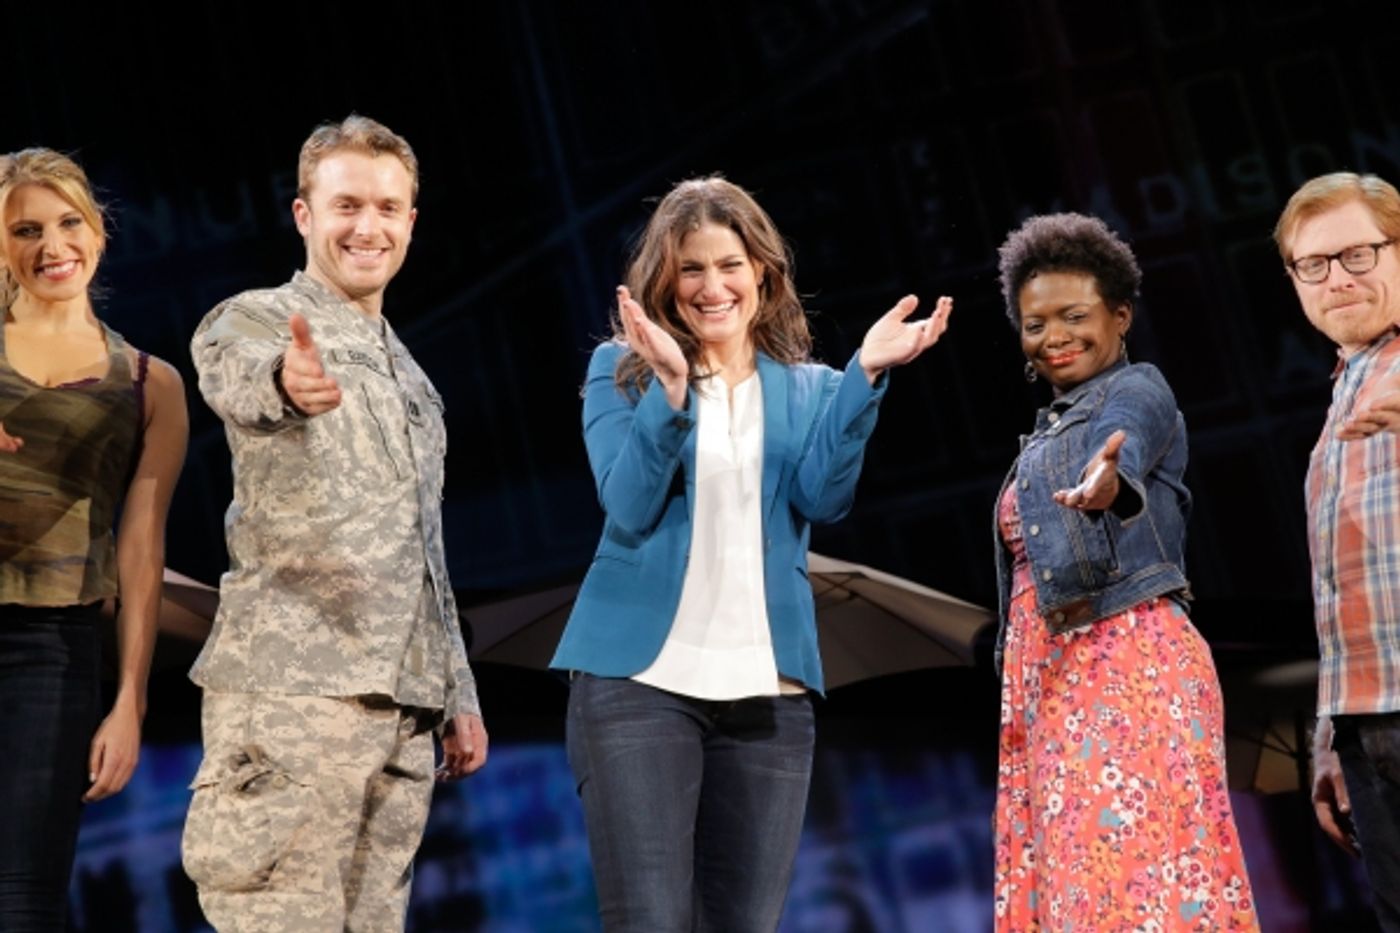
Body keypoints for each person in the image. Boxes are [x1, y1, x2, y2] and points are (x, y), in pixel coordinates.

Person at [550, 175, 952, 932]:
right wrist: (672, 391)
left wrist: (864, 375)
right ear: (665, 279)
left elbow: (824, 498)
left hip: (769, 694)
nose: (712, 286)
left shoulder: (809, 389)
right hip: (639, 684)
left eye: (729, 265)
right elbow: (630, 504)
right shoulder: (621, 371)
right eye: (692, 268)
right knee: (651, 921)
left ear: (761, 272)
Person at [182, 115, 487, 932]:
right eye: (347, 204)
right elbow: (235, 377)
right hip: (293, 690)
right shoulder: (253, 319)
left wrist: (457, 687)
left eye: (388, 208)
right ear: (304, 215)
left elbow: (427, 546)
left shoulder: (413, 377)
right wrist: (288, 379)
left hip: (403, 706)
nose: (368, 227)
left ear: (412, 222)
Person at [991, 213, 1257, 930]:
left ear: (1120, 314)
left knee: (1133, 881)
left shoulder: (1138, 390)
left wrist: (1112, 477)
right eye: (1034, 322)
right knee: (1080, 884)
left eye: (1074, 316)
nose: (1054, 337)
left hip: (1127, 665)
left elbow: (1128, 438)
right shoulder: (1047, 428)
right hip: (1052, 677)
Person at [0, 148, 188, 930]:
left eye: (68, 222)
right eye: (24, 229)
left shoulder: (149, 383)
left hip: (53, 647)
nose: (52, 245)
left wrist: (130, 700)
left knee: (24, 899)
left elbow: (141, 552)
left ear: (99, 232)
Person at [1275, 171, 1400, 931]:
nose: (1338, 280)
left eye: (1357, 254)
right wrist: (1329, 739)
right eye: (1313, 265)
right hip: (1369, 729)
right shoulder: (1340, 403)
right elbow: (1342, 596)